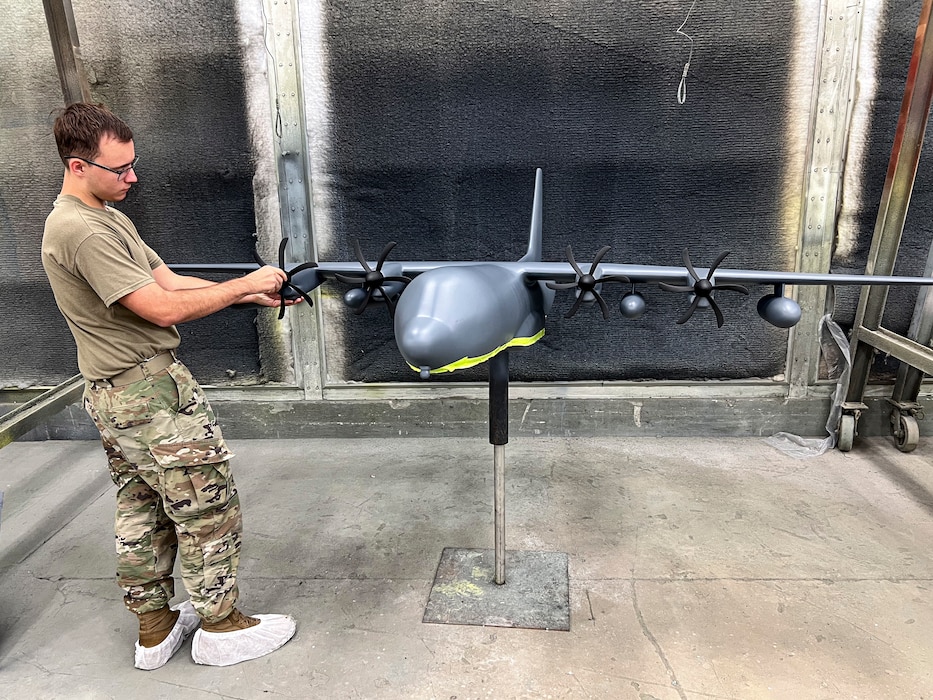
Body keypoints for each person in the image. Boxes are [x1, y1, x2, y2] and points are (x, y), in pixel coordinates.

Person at [41, 102, 300, 670]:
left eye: (133, 164)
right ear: (78, 166)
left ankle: (155, 628)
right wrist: (244, 283)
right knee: (206, 506)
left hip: (118, 394)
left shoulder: (105, 215)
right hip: (148, 397)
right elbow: (158, 308)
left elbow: (165, 279)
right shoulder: (81, 229)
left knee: (144, 505)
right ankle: (221, 625)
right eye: (119, 169)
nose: (132, 177)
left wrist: (249, 292)